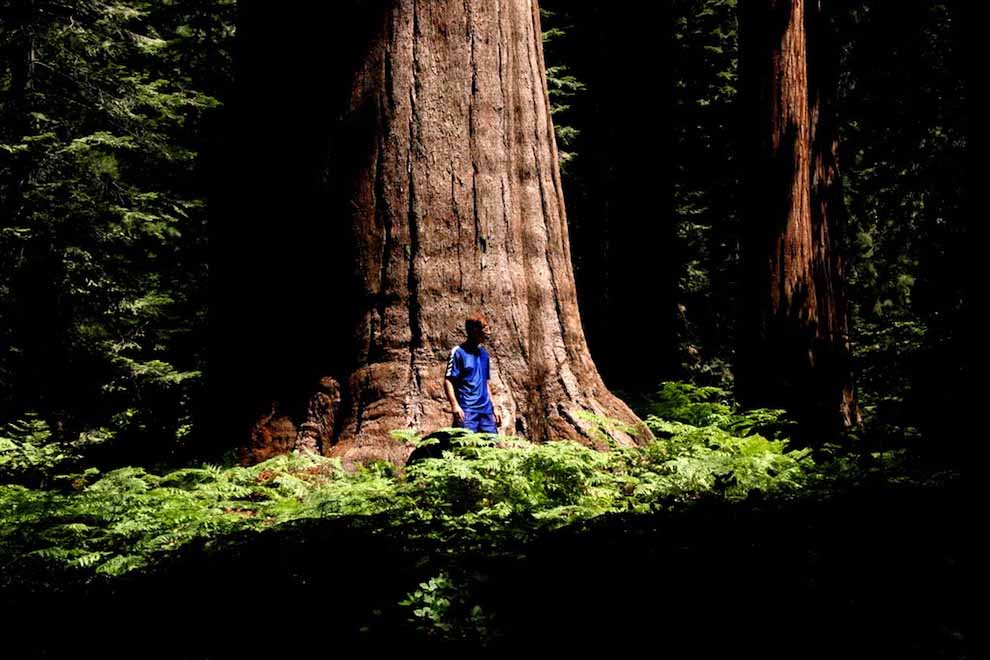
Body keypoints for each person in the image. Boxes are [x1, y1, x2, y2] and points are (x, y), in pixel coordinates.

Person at [443, 314, 501, 433]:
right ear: (474, 330)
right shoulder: (458, 352)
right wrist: (454, 405)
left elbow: (485, 383)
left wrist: (494, 407)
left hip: (486, 411)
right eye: (484, 328)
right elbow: (448, 380)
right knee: (466, 447)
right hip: (467, 410)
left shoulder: (484, 354)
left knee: (490, 446)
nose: (488, 333)